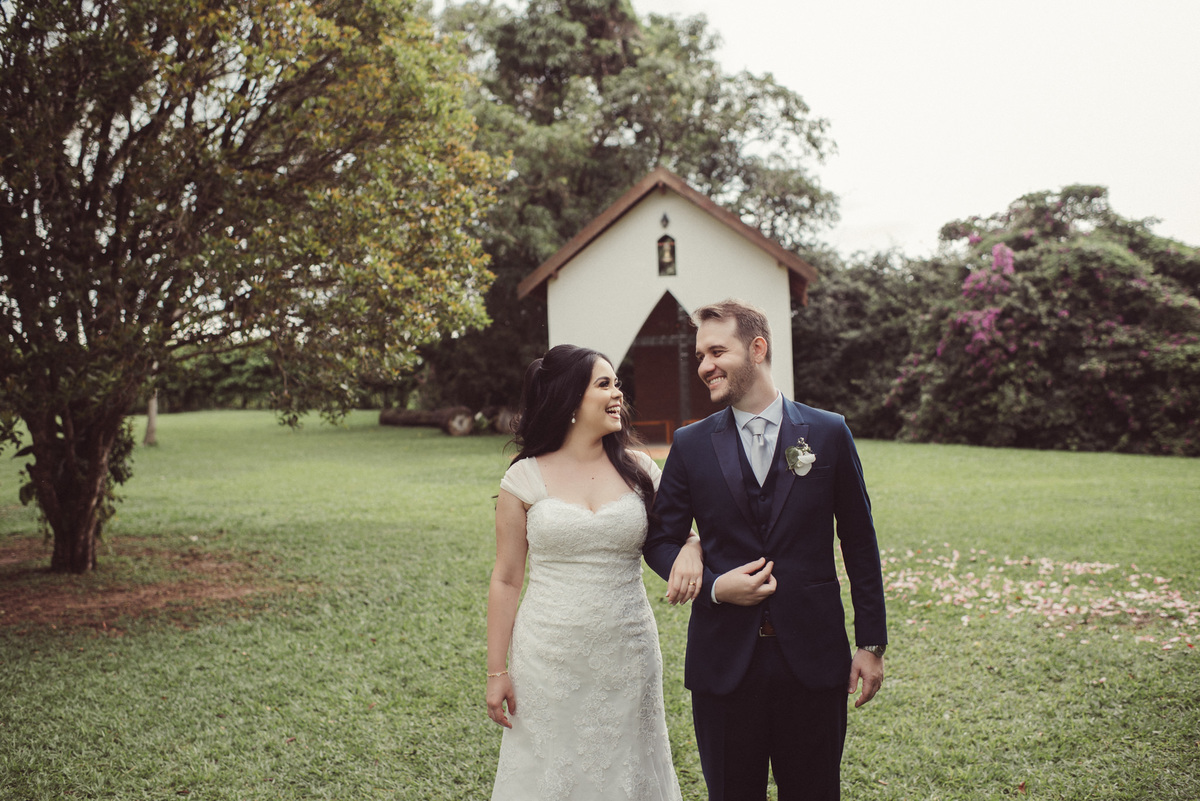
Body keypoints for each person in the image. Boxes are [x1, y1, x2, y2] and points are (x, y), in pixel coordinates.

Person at [643, 299, 888, 801]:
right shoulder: (690, 445)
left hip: (814, 658)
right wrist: (713, 586)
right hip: (724, 664)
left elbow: (860, 540)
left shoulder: (828, 432)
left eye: (716, 351)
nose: (705, 365)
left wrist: (870, 642)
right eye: (699, 356)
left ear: (757, 348)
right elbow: (659, 538)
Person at [486, 344, 703, 801]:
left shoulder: (641, 471)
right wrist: (496, 671)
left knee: (627, 771)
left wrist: (694, 548)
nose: (617, 393)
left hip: (628, 652)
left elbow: (681, 536)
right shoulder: (523, 479)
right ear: (568, 399)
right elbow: (506, 578)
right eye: (604, 384)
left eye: (617, 383)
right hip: (547, 657)